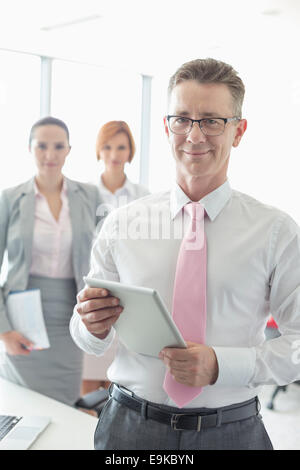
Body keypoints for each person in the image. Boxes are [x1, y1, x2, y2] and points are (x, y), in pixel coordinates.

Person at [70, 58, 300, 450]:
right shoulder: (122, 223)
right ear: (166, 126)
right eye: (182, 119)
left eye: (212, 120)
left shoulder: (276, 231)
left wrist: (220, 366)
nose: (194, 135)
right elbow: (87, 336)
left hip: (232, 433)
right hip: (128, 429)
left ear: (239, 131)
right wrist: (90, 325)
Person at [0, 116, 102, 406]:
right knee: (22, 405)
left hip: (71, 313)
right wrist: (4, 330)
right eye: (42, 146)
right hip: (22, 315)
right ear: (29, 148)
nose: (50, 154)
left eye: (58, 146)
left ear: (69, 149)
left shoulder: (90, 196)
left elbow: (105, 255)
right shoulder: (10, 198)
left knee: (64, 402)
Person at [81, 120, 150, 396]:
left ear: (130, 151)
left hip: (126, 290)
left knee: (119, 383)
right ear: (99, 150)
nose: (114, 154)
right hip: (91, 286)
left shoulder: (142, 197)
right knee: (87, 382)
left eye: (121, 147)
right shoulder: (85, 194)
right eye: (108, 147)